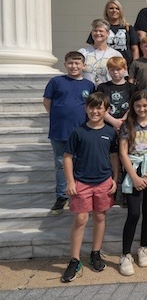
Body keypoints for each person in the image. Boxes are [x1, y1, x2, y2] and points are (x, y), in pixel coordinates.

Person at [60, 92, 118, 282]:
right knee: (81, 219)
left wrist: (115, 179)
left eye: (99, 107)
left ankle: (95, 252)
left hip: (103, 181)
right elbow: (67, 157)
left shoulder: (110, 132)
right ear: (86, 109)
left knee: (100, 216)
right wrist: (70, 181)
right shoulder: (78, 132)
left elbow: (114, 157)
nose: (95, 111)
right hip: (81, 182)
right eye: (92, 107)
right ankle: (74, 259)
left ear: (106, 110)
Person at [43, 51, 96, 214]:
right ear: (65, 65)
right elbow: (47, 103)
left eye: (77, 63)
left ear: (83, 66)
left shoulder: (88, 85)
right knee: (60, 163)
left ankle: (80, 193)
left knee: (80, 162)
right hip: (60, 130)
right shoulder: (56, 82)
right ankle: (61, 196)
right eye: (71, 63)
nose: (74, 66)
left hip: (81, 132)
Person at [118, 90, 147, 276]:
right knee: (134, 212)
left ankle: (143, 247)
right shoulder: (127, 125)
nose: (142, 109)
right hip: (133, 168)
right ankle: (125, 254)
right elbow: (122, 152)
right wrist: (136, 177)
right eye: (138, 106)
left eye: (145, 105)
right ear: (132, 107)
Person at [97, 56, 136, 204]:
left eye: (119, 69)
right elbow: (99, 106)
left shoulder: (132, 88)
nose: (116, 73)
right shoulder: (103, 88)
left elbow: (134, 105)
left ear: (125, 69)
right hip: (108, 126)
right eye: (112, 70)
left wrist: (123, 121)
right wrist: (113, 121)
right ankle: (111, 190)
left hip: (127, 127)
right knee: (111, 159)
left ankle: (126, 192)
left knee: (126, 158)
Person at [85, 0, 140, 65]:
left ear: (120, 11)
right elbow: (93, 47)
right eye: (111, 8)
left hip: (125, 66)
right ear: (106, 11)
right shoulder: (100, 28)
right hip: (104, 65)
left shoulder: (128, 27)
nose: (114, 10)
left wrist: (135, 66)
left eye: (117, 8)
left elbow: (135, 49)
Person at [79, 19, 123, 87]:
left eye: (101, 31)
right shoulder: (83, 52)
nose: (98, 33)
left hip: (107, 91)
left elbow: (121, 76)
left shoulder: (115, 54)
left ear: (108, 34)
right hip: (86, 90)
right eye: (95, 31)